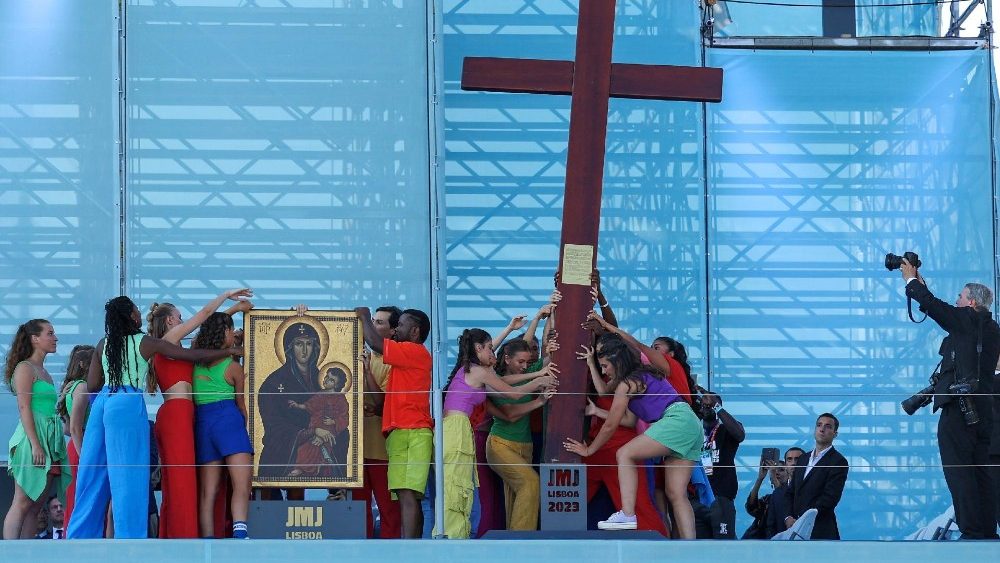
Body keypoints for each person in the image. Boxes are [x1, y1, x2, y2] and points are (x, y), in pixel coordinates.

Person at [68, 296, 241, 539]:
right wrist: (231, 349)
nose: (140, 315)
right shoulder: (144, 342)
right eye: (136, 311)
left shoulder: (102, 343)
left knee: (92, 471)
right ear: (130, 316)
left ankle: (79, 536)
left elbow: (93, 384)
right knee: (128, 474)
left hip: (103, 402)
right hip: (126, 401)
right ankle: (130, 538)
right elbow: (192, 357)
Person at [564, 332, 703, 538]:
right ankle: (689, 548)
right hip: (690, 424)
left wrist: (589, 449)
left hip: (675, 420)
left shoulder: (627, 384)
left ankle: (628, 514)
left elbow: (611, 424)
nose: (604, 370)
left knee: (624, 454)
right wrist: (592, 370)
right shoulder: (638, 376)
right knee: (676, 494)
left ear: (616, 361)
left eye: (605, 366)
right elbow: (626, 418)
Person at [901, 260, 1000, 539]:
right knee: (981, 473)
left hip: (959, 411)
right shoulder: (990, 328)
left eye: (959, 296)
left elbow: (936, 307)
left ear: (970, 302)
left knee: (959, 473)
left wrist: (909, 281)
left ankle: (971, 532)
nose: (956, 300)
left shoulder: (967, 321)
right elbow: (940, 308)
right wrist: (921, 286)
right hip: (982, 414)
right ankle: (986, 531)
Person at [146, 288, 253, 538]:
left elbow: (208, 333)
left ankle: (200, 535)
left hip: (190, 414)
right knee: (183, 481)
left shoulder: (178, 347)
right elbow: (205, 315)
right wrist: (227, 296)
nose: (184, 321)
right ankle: (181, 534)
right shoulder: (169, 340)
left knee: (194, 483)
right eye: (180, 317)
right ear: (171, 321)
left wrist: (233, 311)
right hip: (178, 413)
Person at [439, 328, 558, 538]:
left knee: (459, 485)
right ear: (478, 348)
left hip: (458, 429)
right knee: (456, 486)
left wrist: (538, 374)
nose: (492, 353)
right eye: (490, 348)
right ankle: (452, 537)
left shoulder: (473, 370)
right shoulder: (479, 371)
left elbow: (504, 383)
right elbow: (512, 394)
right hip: (457, 429)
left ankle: (457, 535)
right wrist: (538, 382)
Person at [356, 306, 432, 539]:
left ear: (415, 332)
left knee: (408, 495)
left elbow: (375, 343)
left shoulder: (414, 351)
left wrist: (363, 315)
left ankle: (409, 550)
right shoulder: (404, 358)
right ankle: (410, 547)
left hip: (413, 431)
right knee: (404, 494)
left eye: (402, 325)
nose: (397, 328)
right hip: (400, 432)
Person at [4, 319, 69, 539]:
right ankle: (10, 555)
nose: (55, 338)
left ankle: (26, 554)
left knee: (36, 505)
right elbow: (24, 407)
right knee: (21, 502)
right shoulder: (25, 368)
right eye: (50, 333)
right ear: (35, 339)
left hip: (49, 440)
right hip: (33, 440)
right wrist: (35, 445)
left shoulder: (45, 373)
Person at [192, 312, 254, 539]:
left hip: (203, 422)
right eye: (231, 330)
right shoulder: (233, 367)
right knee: (242, 483)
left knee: (208, 491)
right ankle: (240, 533)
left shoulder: (195, 359)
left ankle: (207, 540)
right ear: (227, 332)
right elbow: (241, 405)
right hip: (228, 418)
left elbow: (203, 333)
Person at [485, 339, 554, 531]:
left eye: (527, 361)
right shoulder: (496, 380)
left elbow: (550, 359)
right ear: (506, 359)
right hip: (501, 444)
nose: (525, 366)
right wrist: (540, 401)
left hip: (526, 445)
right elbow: (511, 414)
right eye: (520, 362)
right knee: (531, 483)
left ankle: (512, 546)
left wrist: (553, 345)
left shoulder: (529, 374)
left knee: (516, 497)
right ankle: (520, 541)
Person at [352, 305, 403, 539]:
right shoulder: (355, 352)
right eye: (371, 321)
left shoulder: (395, 361)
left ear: (393, 331)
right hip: (352, 449)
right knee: (358, 511)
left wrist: (366, 376)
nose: (371, 325)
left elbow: (381, 403)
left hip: (382, 448)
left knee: (389, 510)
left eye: (379, 323)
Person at [258, 320, 323, 479]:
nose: (304, 350)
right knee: (270, 493)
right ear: (290, 348)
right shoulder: (274, 382)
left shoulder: (322, 378)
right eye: (299, 344)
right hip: (285, 444)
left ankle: (337, 492)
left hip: (318, 438)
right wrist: (307, 433)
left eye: (309, 344)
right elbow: (273, 423)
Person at [782, 413, 849, 540]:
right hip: (794, 530)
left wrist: (802, 520)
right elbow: (790, 492)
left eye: (828, 426)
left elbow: (830, 498)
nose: (822, 429)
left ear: (835, 434)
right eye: (819, 425)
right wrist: (788, 517)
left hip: (820, 530)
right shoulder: (803, 459)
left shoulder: (838, 461)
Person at [56, 344, 95, 530]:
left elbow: (67, 429)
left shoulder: (72, 387)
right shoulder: (82, 387)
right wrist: (85, 457)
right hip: (82, 448)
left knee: (75, 502)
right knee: (79, 502)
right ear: (82, 364)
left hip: (76, 446)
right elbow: (74, 428)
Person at [696, 389, 745, 539]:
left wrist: (717, 406)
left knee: (723, 546)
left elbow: (740, 435)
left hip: (721, 497)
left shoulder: (726, 429)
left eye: (712, 404)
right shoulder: (694, 431)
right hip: (698, 499)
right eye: (704, 403)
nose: (708, 406)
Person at [287, 367, 350, 478]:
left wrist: (334, 421)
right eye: (327, 376)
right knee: (304, 448)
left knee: (319, 447)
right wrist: (297, 405)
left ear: (336, 385)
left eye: (331, 380)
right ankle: (301, 468)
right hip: (315, 427)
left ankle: (318, 465)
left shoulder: (340, 399)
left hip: (330, 430)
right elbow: (309, 405)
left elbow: (344, 418)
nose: (326, 380)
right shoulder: (320, 395)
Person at [743, 447, 802, 539]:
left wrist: (773, 476)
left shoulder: (798, 494)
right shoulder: (768, 499)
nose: (776, 472)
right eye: (774, 470)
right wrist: (760, 478)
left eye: (781, 470)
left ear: (787, 471)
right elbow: (751, 507)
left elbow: (783, 500)